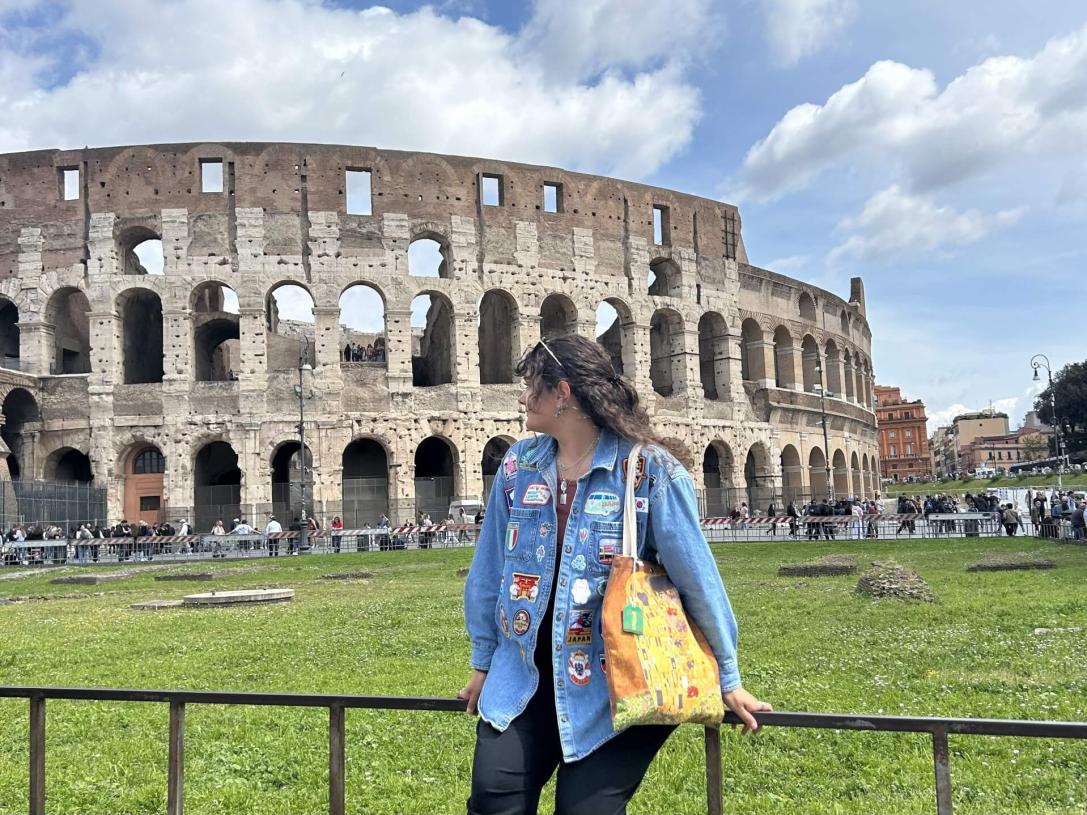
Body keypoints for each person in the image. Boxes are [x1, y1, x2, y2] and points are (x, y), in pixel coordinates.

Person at [459, 334, 768, 814]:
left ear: (562, 393)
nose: (522, 397)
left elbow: (697, 578)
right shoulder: (518, 466)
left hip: (618, 685)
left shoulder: (649, 471)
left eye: (531, 387)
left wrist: (727, 675)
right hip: (522, 677)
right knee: (492, 800)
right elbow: (489, 571)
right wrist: (483, 664)